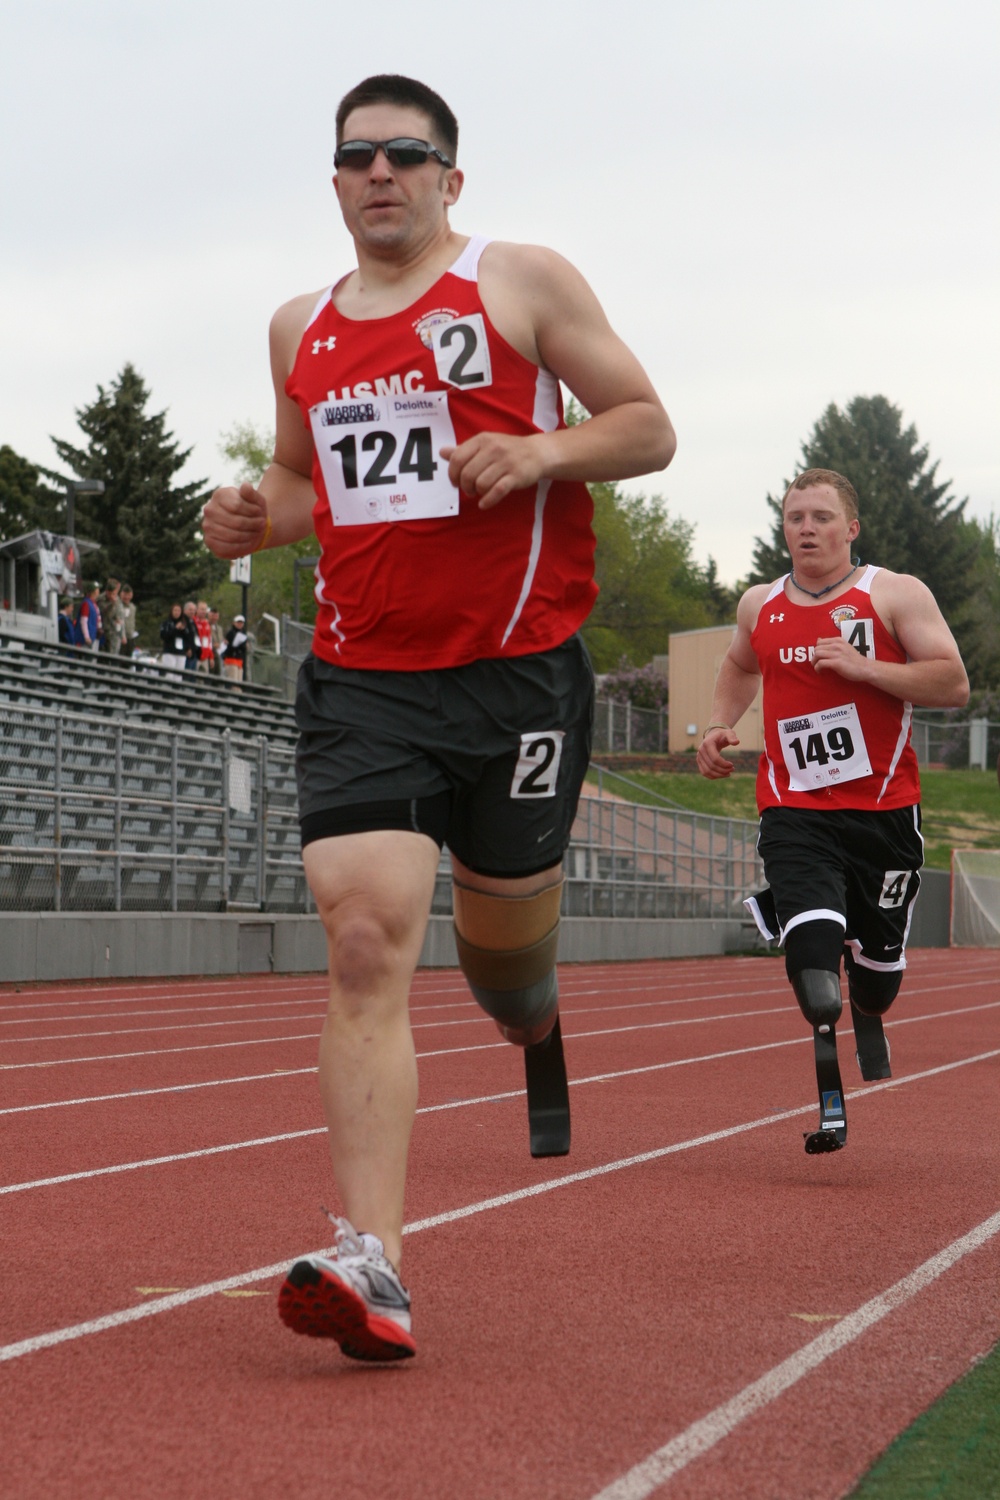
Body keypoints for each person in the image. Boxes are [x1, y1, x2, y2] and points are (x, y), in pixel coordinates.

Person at [202, 72, 675, 1363]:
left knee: (503, 968)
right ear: (337, 180)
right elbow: (308, 490)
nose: (379, 175)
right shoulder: (299, 327)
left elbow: (649, 428)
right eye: (356, 157)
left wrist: (540, 452)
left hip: (520, 678)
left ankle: (534, 1012)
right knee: (364, 938)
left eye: (406, 155)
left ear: (450, 179)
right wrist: (250, 514)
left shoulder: (519, 285)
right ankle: (376, 1263)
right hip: (366, 685)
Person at [697, 468, 969, 1153]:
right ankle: (830, 1086)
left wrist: (865, 668)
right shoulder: (759, 604)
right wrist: (717, 723)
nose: (807, 529)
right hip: (794, 807)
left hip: (883, 814)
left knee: (876, 987)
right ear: (783, 528)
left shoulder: (895, 594)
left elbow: (952, 681)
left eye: (821, 517)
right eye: (795, 518)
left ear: (851, 528)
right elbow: (738, 666)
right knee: (816, 971)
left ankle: (870, 999)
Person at [159, 602, 192, 671]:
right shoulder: (166, 623)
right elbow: (164, 636)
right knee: (169, 674)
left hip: (181, 653)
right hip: (169, 652)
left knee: (179, 676)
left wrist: (188, 648)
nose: (177, 612)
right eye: (175, 610)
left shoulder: (184, 624)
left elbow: (188, 638)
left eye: (179, 611)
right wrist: (175, 628)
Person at [100, 578, 126, 656]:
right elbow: (106, 614)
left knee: (114, 656)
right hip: (106, 632)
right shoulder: (102, 599)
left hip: (116, 632)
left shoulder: (117, 600)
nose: (114, 596)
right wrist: (112, 604)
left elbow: (121, 617)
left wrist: (123, 635)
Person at [220, 614, 248, 683]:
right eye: (238, 622)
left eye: (241, 623)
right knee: (233, 682)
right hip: (231, 660)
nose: (240, 624)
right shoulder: (231, 633)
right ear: (234, 623)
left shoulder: (243, 634)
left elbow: (243, 648)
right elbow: (227, 647)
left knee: (239, 682)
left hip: (239, 661)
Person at [75, 583, 102, 651]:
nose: (98, 591)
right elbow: (83, 621)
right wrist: (86, 637)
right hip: (86, 639)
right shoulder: (86, 603)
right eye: (97, 589)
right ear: (94, 591)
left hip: (92, 636)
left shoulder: (93, 603)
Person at [193, 601, 215, 673]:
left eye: (205, 609)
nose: (203, 611)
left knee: (204, 679)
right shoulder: (193, 621)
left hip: (205, 656)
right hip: (196, 655)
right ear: (197, 609)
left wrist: (211, 657)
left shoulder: (207, 623)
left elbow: (209, 641)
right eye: (202, 609)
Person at [120, 584, 137, 657]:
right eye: (125, 595)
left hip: (130, 637)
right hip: (120, 637)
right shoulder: (118, 606)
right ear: (121, 594)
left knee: (128, 660)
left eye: (128, 595)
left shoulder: (133, 607)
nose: (126, 597)